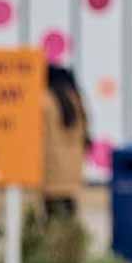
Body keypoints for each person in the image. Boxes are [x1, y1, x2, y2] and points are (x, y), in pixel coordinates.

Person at [41, 64, 91, 220]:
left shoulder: (45, 101)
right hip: (72, 169)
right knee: (69, 214)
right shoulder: (76, 100)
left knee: (52, 216)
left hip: (51, 168)